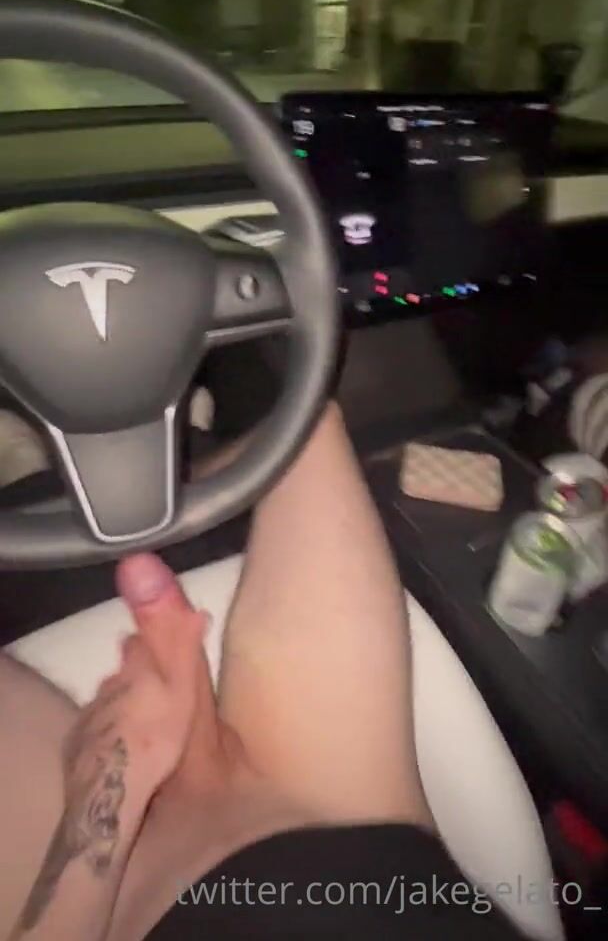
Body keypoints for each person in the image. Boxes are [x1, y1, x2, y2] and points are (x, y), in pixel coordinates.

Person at [1, 403, 523, 940]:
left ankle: (33, 482)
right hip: (358, 832)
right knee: (304, 429)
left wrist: (96, 821)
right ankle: (149, 475)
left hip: (132, 908)